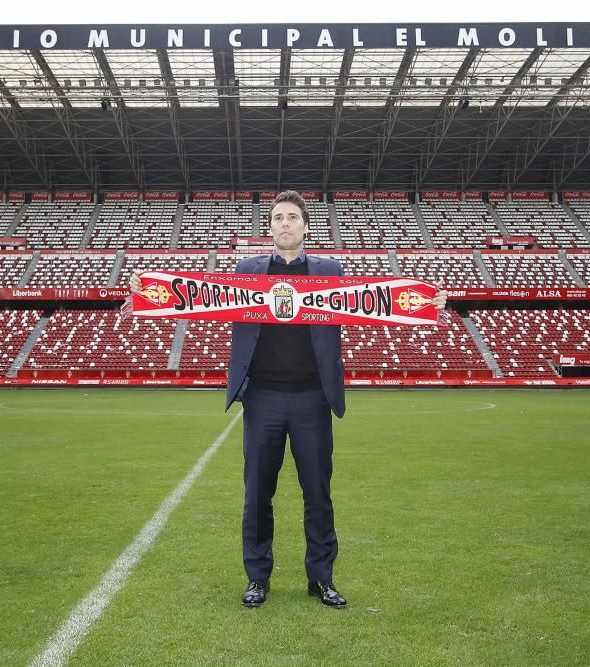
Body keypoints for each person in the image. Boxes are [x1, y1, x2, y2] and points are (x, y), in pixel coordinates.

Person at [131, 190, 447, 609]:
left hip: (313, 400)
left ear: (305, 226)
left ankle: (321, 579)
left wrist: (429, 301)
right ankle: (257, 578)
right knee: (257, 494)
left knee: (318, 493)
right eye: (278, 217)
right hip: (262, 399)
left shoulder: (331, 272)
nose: (284, 223)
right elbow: (193, 296)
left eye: (292, 217)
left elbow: (381, 301)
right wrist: (145, 290)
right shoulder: (246, 271)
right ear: (271, 227)